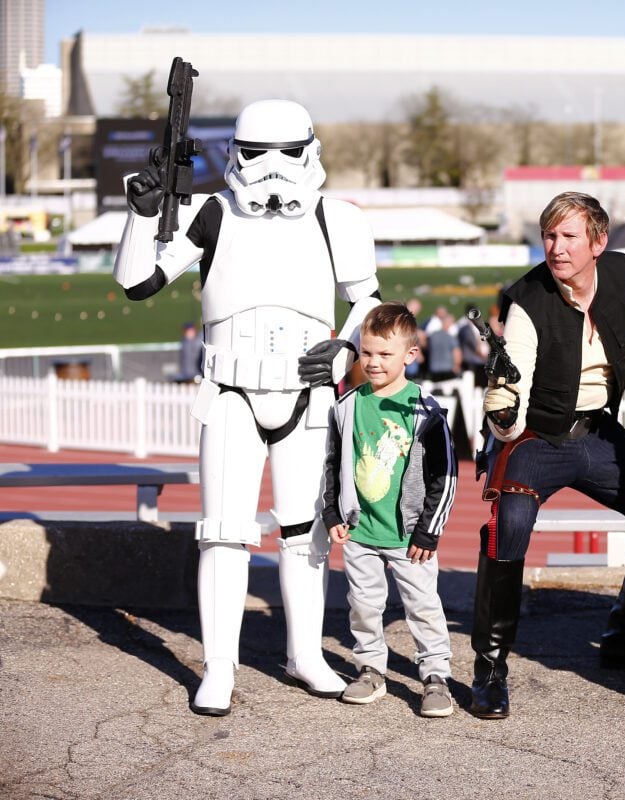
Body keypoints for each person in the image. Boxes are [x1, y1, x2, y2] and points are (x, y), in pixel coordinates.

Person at [115, 99, 381, 716]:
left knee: (304, 534)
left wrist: (346, 351)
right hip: (230, 390)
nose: (271, 167)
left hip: (305, 393)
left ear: (310, 150)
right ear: (235, 150)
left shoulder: (338, 218)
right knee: (224, 535)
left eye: (287, 151)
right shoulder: (213, 212)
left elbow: (368, 300)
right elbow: (138, 283)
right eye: (256, 151)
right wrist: (141, 211)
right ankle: (219, 668)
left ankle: (306, 655)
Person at [468, 191, 625, 720]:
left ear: (598, 243)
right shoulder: (526, 300)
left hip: (598, 433)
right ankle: (488, 669)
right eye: (549, 235)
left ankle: (624, 637)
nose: (555, 247)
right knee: (506, 532)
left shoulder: (622, 271)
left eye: (568, 236)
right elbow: (514, 377)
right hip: (535, 439)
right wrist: (502, 413)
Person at [322, 301, 457, 717]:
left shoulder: (426, 411)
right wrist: (332, 514)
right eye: (367, 352)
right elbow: (331, 465)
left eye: (385, 354)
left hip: (410, 536)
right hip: (360, 532)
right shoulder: (346, 406)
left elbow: (445, 476)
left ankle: (435, 677)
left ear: (409, 356)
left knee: (423, 607)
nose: (374, 362)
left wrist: (428, 531)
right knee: (363, 606)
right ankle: (370, 669)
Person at [423, 306, 462, 384]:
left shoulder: (432, 336)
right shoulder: (451, 337)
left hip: (433, 369)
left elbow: (425, 346)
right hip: (448, 370)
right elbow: (457, 353)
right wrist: (457, 366)